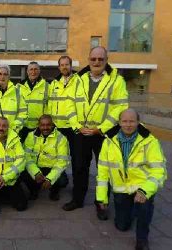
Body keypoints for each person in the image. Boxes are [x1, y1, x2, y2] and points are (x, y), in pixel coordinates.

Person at [63, 46, 129, 211]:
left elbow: (120, 108)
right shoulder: (78, 79)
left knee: (104, 169)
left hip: (104, 134)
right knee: (79, 167)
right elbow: (69, 103)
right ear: (88, 60)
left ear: (106, 60)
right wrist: (77, 126)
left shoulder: (116, 81)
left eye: (100, 59)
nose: (97, 62)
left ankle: (101, 203)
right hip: (81, 132)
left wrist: (101, 128)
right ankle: (77, 200)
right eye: (93, 59)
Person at [96, 109, 167, 250]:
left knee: (144, 208)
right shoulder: (108, 141)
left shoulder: (150, 141)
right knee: (122, 226)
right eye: (125, 121)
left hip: (142, 187)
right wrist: (102, 198)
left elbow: (159, 170)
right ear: (119, 123)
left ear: (138, 122)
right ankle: (132, 210)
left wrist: (145, 190)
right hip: (121, 189)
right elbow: (103, 172)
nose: (128, 125)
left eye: (132, 121)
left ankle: (142, 239)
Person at [47, 55, 78, 188]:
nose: (64, 67)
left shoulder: (79, 81)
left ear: (71, 66)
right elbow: (50, 104)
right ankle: (57, 185)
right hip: (57, 127)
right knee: (57, 157)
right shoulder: (54, 84)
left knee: (77, 160)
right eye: (62, 65)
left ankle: (76, 189)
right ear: (59, 67)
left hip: (73, 128)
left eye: (67, 64)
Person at [24, 114, 70, 201]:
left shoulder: (61, 138)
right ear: (38, 125)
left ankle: (54, 191)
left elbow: (62, 162)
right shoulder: (31, 136)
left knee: (62, 181)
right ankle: (34, 190)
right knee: (22, 174)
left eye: (48, 125)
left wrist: (50, 179)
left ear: (52, 125)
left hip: (52, 168)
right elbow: (26, 157)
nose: (45, 128)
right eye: (42, 125)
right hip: (36, 168)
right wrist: (35, 173)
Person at [17, 62, 50, 142]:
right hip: (22, 127)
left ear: (39, 71)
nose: (33, 72)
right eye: (31, 69)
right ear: (27, 71)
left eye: (35, 69)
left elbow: (50, 106)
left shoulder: (47, 86)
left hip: (39, 127)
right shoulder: (19, 87)